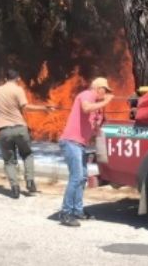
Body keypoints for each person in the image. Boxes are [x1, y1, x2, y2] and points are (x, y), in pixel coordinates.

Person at [0, 69, 53, 199]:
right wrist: (44, 108)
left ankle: (15, 188)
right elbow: (25, 107)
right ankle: (29, 181)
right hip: (20, 129)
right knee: (27, 154)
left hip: (4, 130)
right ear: (18, 79)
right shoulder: (18, 90)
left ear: (5, 79)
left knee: (9, 161)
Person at [58, 77, 113, 227]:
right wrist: (105, 102)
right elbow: (86, 108)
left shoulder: (96, 105)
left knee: (82, 177)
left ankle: (77, 210)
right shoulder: (88, 95)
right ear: (98, 88)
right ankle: (66, 212)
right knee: (76, 177)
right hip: (71, 142)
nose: (107, 93)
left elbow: (93, 127)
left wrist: (98, 125)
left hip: (80, 144)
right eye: (106, 90)